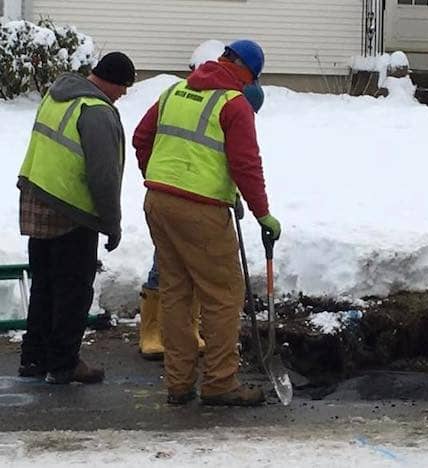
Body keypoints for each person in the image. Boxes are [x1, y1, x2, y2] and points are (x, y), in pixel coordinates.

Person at [133, 39, 280, 406]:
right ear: (247, 72)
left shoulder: (175, 92)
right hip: (201, 212)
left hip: (159, 203)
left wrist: (162, 179)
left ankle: (179, 384)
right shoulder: (235, 104)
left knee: (176, 294)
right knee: (224, 295)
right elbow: (246, 164)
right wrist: (263, 213)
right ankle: (220, 382)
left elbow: (141, 137)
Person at [17, 52, 135, 384]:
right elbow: (103, 176)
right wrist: (111, 223)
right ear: (111, 81)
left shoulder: (57, 94)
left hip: (36, 196)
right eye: (124, 86)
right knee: (74, 290)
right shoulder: (95, 111)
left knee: (44, 284)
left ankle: (34, 358)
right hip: (71, 208)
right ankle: (63, 363)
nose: (124, 94)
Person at [138, 81, 265, 360]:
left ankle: (180, 367)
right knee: (215, 288)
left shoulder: (209, 102)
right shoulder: (218, 104)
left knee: (179, 281)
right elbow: (244, 163)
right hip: (190, 203)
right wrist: (262, 212)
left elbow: (221, 160)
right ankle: (216, 376)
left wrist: (231, 194)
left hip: (170, 197)